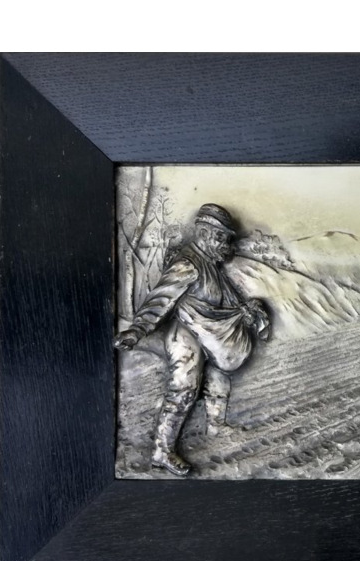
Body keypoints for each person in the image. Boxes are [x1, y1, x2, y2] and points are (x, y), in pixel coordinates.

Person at [113, 203, 270, 476]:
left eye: (226, 238)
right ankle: (162, 451)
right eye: (220, 237)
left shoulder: (212, 266)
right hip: (185, 334)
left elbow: (228, 303)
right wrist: (137, 330)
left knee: (219, 377)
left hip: (209, 335)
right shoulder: (189, 263)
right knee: (184, 388)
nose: (224, 244)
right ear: (203, 233)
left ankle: (216, 426)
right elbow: (161, 299)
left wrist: (246, 312)